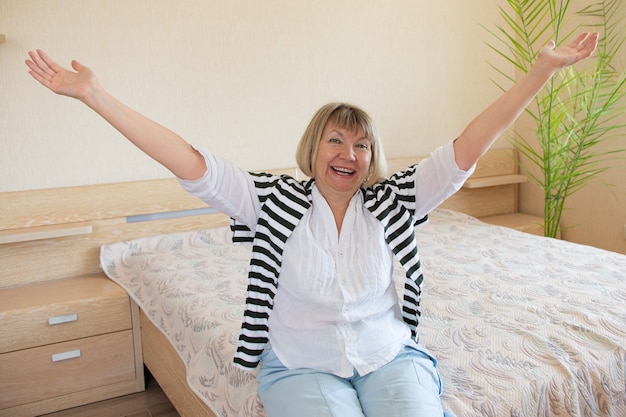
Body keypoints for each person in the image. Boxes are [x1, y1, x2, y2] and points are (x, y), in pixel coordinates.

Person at [26, 31, 598, 417]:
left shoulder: (395, 199)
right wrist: (95, 96)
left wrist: (541, 71)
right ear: (315, 146)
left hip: (387, 353)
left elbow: (468, 149)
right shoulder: (270, 200)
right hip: (300, 360)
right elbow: (189, 161)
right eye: (336, 139)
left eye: (363, 144)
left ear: (373, 156)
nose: (349, 153)